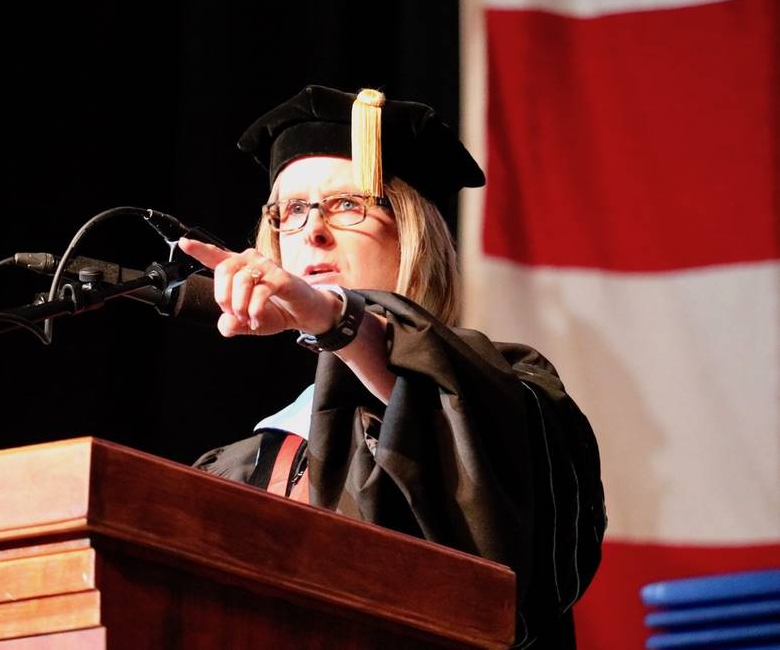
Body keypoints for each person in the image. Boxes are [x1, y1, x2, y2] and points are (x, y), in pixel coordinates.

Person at [178, 85, 605, 648]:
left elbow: (500, 554)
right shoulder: (245, 466)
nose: (313, 231)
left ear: (414, 234)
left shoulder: (512, 398)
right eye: (291, 211)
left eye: (349, 204)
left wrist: (340, 319)